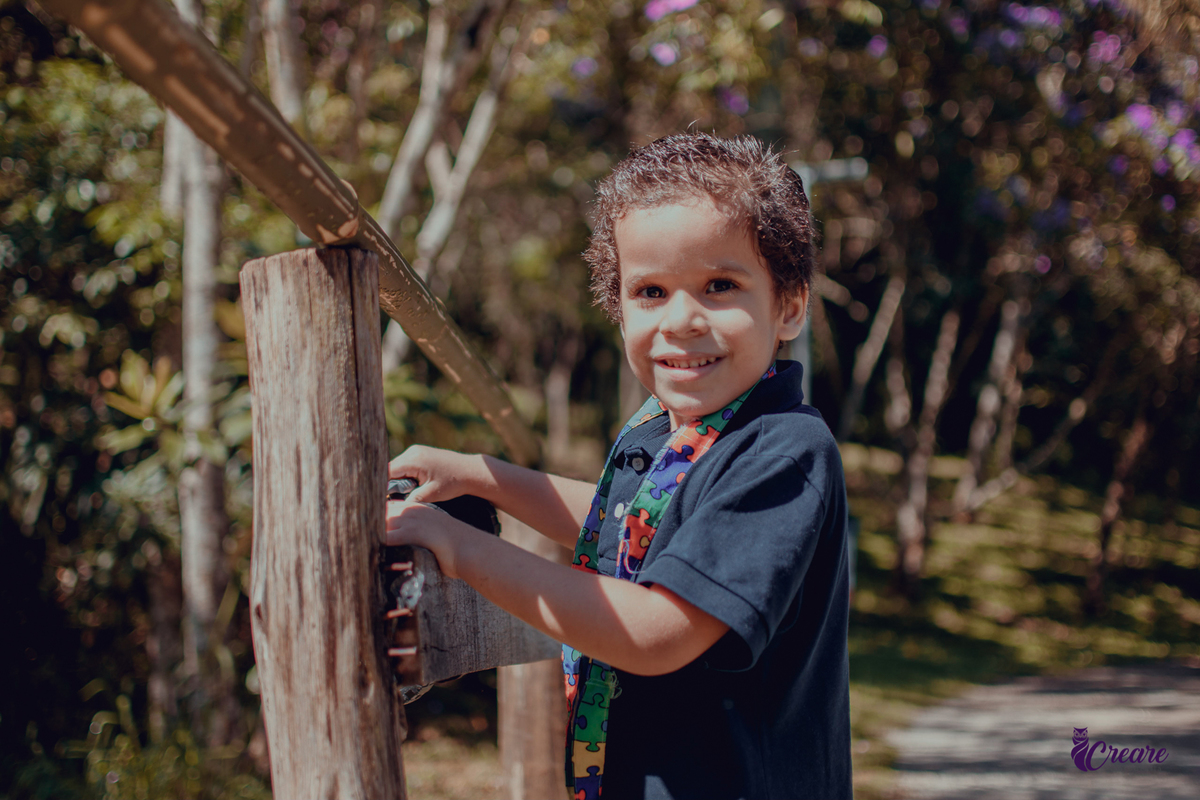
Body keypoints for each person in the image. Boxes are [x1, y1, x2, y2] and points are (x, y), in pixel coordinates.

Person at [386, 133, 851, 800]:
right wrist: (483, 477)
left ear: (789, 305)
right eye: (652, 291)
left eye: (720, 285)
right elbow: (630, 530)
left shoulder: (780, 451)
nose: (682, 319)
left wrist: (459, 547)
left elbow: (654, 631)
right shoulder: (670, 431)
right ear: (618, 305)